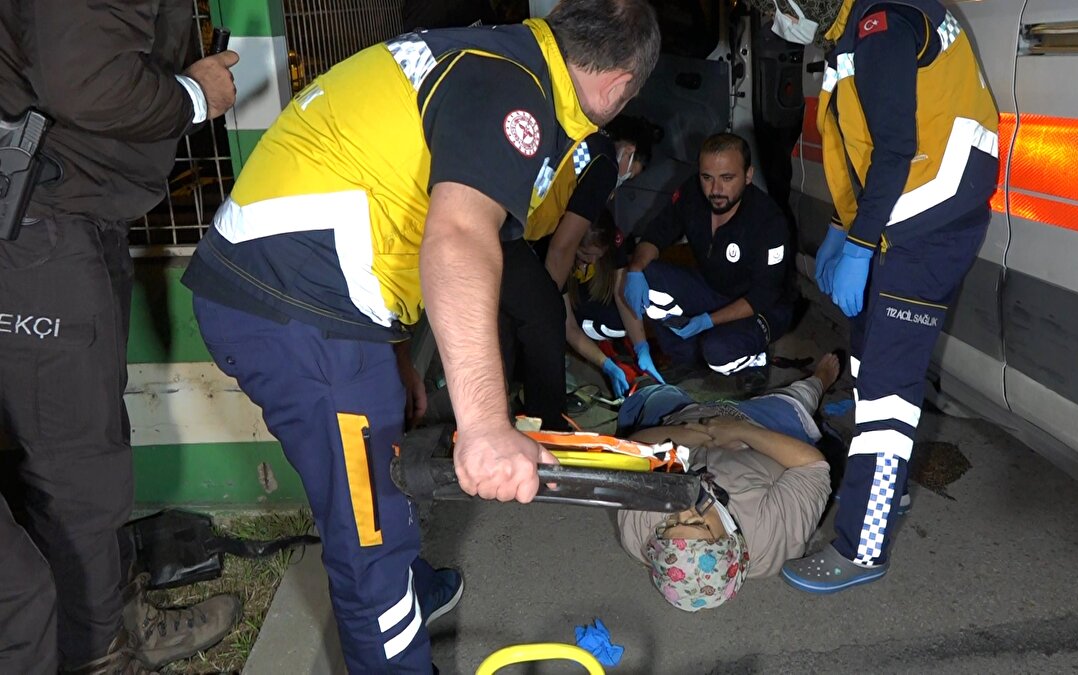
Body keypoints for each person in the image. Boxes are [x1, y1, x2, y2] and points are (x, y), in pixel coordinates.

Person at [180, 2, 660, 671]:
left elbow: (391, 211)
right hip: (301, 314)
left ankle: (405, 582)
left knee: (386, 476)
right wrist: (488, 425)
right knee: (367, 537)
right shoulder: (514, 91)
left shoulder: (489, 54)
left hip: (316, 301)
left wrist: (397, 356)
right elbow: (460, 237)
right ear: (619, 85)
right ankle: (389, 608)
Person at [0, 6, 241, 673]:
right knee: (77, 468)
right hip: (39, 219)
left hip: (60, 205)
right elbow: (85, 80)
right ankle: (100, 654)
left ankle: (111, 619)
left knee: (84, 454)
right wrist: (192, 95)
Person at [774, 0, 1000, 593]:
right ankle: (887, 483)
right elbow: (864, 150)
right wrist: (841, 228)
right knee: (868, 351)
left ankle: (861, 546)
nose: (776, 17)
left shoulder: (881, 25)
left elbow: (896, 148)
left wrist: (858, 242)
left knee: (885, 394)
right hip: (905, 215)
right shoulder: (857, 28)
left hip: (927, 221)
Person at [615, 353, 840, 610]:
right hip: (761, 427)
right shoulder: (772, 539)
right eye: (699, 523)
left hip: (683, 422)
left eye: (670, 523)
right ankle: (819, 381)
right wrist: (739, 431)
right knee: (798, 399)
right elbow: (813, 466)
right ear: (730, 542)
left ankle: (657, 392)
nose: (683, 508)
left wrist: (689, 434)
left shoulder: (639, 536)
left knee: (650, 397)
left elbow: (634, 448)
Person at [499, 115, 657, 426]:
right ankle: (550, 426)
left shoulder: (580, 141)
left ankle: (503, 417)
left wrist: (640, 350)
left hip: (502, 222)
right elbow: (562, 247)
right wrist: (548, 303)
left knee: (511, 320)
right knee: (544, 320)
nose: (624, 180)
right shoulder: (605, 163)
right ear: (628, 151)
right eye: (631, 172)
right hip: (509, 232)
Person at [623, 133, 793, 394]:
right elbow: (657, 234)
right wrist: (635, 271)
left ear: (748, 176)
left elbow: (764, 294)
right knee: (647, 273)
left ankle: (755, 360)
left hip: (760, 306)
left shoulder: (768, 221)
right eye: (707, 177)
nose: (715, 190)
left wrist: (707, 321)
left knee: (718, 350)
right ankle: (685, 357)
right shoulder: (692, 193)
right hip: (712, 287)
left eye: (727, 178)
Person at [561, 209, 664, 398]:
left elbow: (622, 295)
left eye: (598, 256)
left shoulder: (614, 241)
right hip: (567, 305)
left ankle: (620, 351)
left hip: (590, 295)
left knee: (617, 321)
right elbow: (569, 327)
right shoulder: (557, 255)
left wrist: (642, 346)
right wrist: (605, 363)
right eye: (586, 254)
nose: (592, 261)